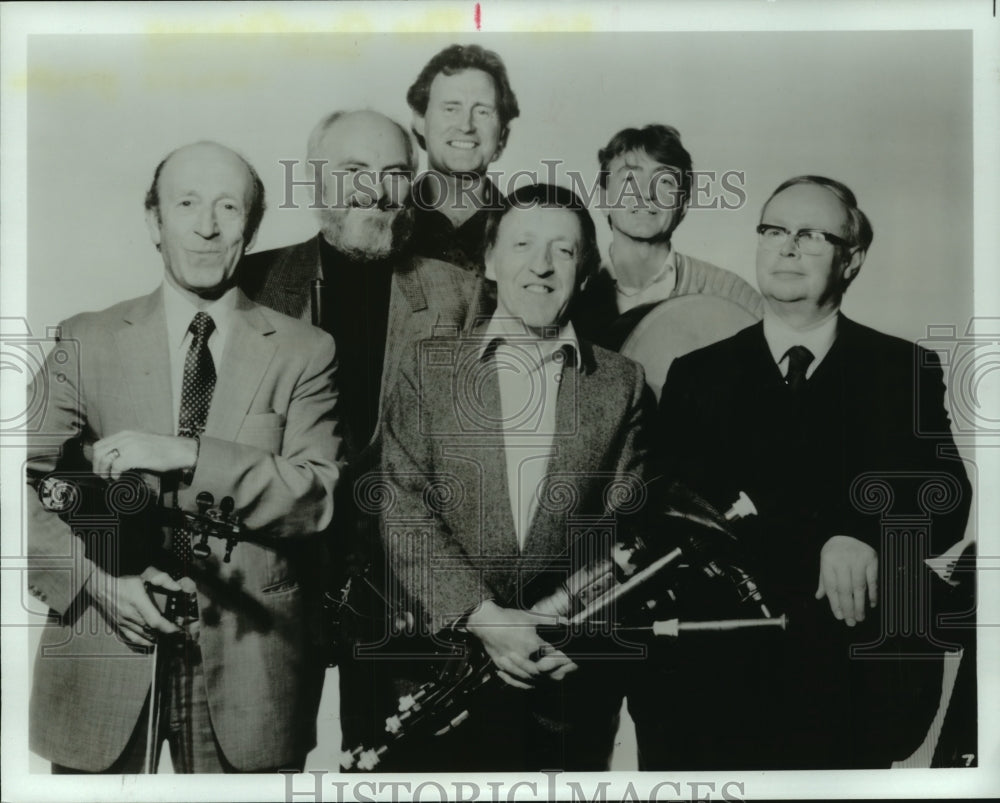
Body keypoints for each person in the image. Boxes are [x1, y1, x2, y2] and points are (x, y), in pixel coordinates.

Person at [631, 175, 973, 769]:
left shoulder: (902, 368)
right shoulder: (697, 374)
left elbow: (945, 498)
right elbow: (667, 519)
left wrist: (861, 531)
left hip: (848, 696)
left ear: (852, 259)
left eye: (812, 235)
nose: (787, 247)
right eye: (774, 230)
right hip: (714, 695)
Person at [26, 141, 343, 773]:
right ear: (154, 221)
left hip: (252, 666)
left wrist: (187, 454)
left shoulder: (305, 351)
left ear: (250, 229)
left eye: (228, 207)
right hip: (104, 650)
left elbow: (315, 497)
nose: (206, 225)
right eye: (187, 203)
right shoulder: (84, 338)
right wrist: (97, 584)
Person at [372, 183, 654, 771]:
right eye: (523, 244)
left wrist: (575, 632)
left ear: (583, 274)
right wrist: (486, 619)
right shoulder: (429, 368)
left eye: (564, 251)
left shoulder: (621, 383)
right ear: (492, 261)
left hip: (562, 681)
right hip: (440, 674)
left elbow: (625, 525)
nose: (542, 265)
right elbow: (402, 507)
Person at [237, 109, 481, 757]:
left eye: (395, 172)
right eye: (352, 171)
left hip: (406, 595)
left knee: (395, 771)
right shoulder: (250, 285)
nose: (375, 188)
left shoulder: (463, 294)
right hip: (273, 584)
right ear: (315, 179)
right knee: (256, 772)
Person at [575, 124, 763, 352]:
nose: (646, 192)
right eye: (630, 179)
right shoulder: (572, 292)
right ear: (603, 199)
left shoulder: (729, 294)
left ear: (682, 205)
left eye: (664, 181)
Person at [405, 43, 519, 275]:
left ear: (502, 137)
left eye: (482, 112)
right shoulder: (388, 221)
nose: (466, 126)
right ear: (419, 121)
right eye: (450, 109)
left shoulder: (523, 230)